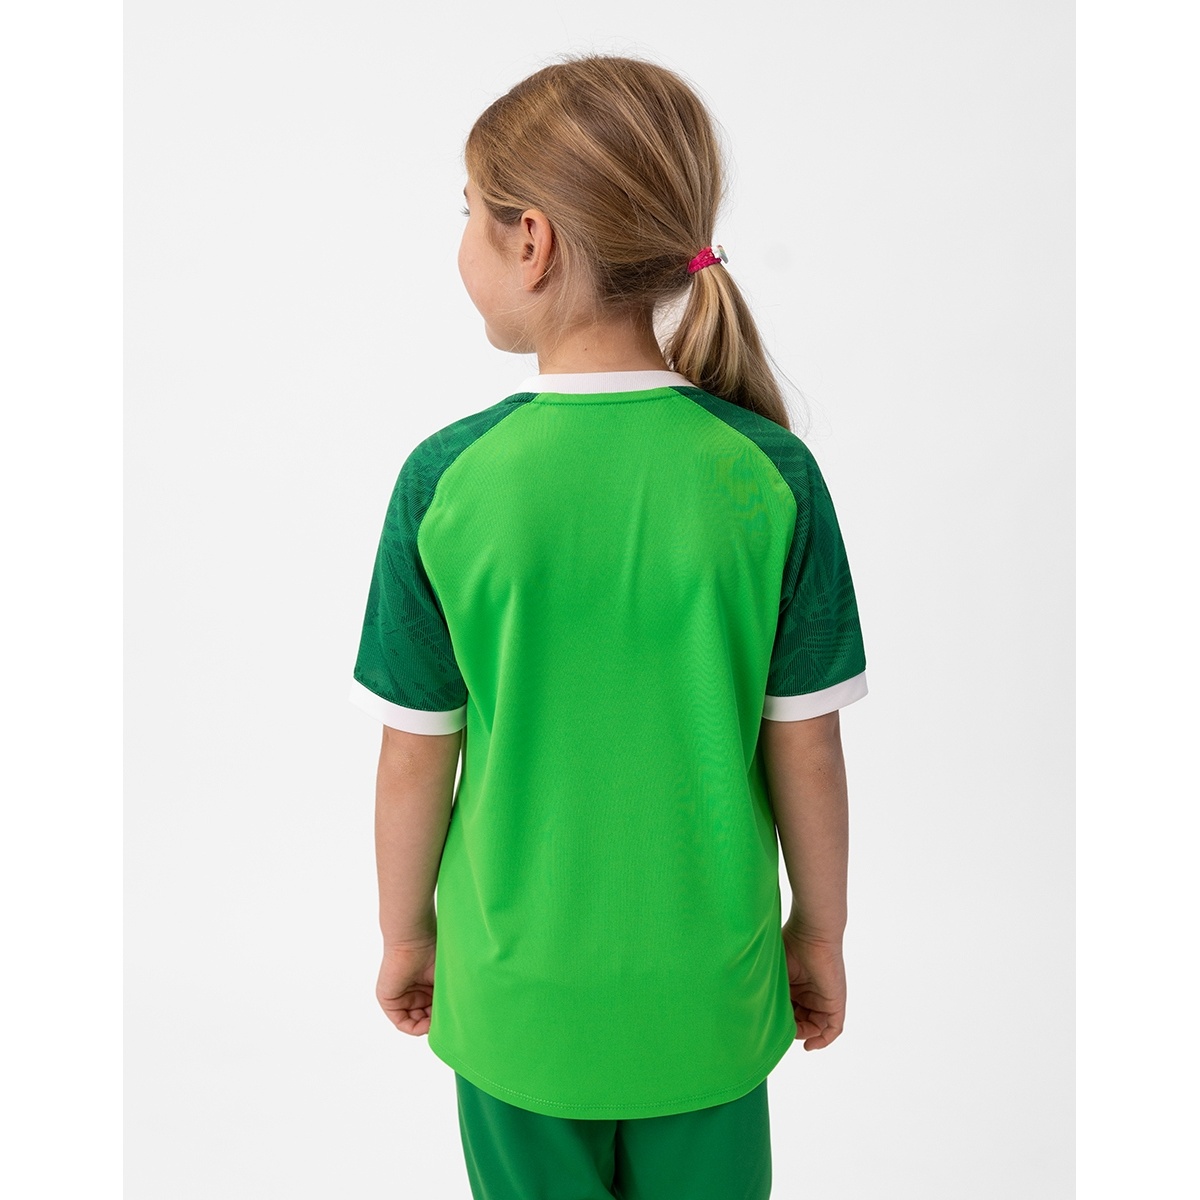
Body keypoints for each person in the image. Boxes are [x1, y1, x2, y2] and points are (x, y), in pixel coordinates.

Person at [348, 52, 868, 1200]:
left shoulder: (448, 481)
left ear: (530, 241)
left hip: (515, 996)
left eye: (469, 215)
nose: (462, 244)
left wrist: (407, 937)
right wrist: (819, 935)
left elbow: (413, 758)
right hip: (711, 996)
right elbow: (809, 749)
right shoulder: (769, 474)